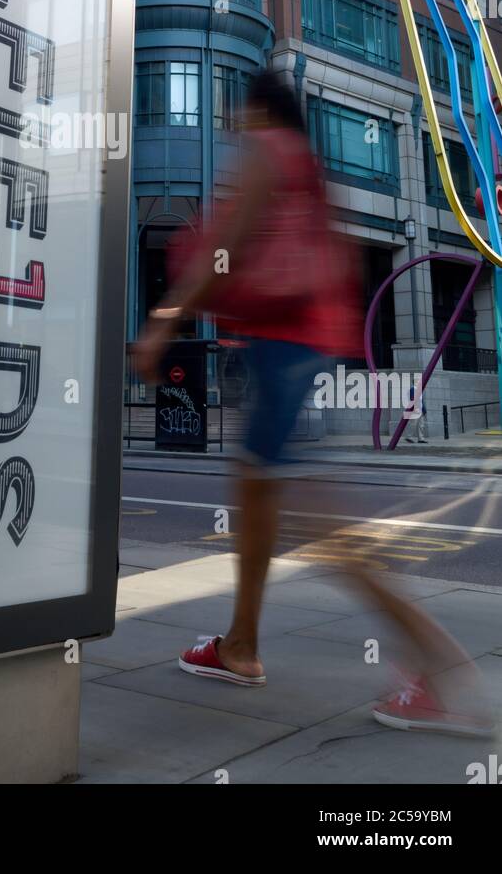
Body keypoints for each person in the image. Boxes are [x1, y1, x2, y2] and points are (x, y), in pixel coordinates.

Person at [135, 69, 490, 736]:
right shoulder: (303, 164)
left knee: (324, 530)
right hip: (294, 346)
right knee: (261, 509)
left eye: (237, 109)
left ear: (256, 109)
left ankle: (436, 670)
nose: (232, 122)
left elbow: (221, 247)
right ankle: (239, 646)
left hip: (280, 348)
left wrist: (161, 322)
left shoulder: (268, 153)